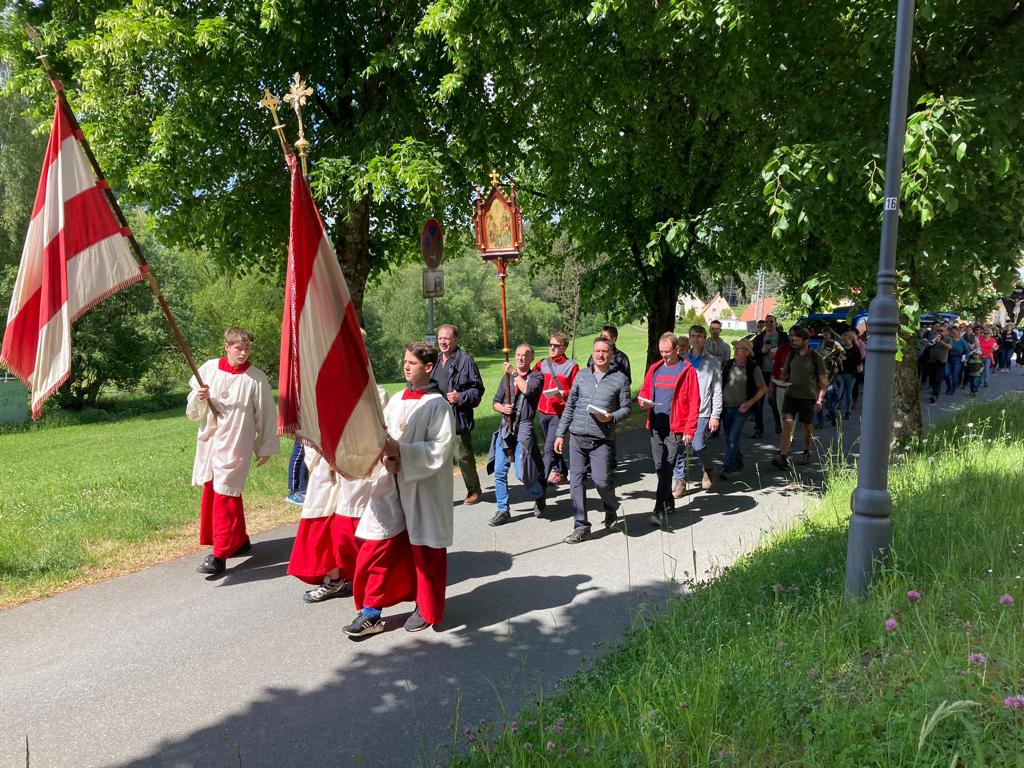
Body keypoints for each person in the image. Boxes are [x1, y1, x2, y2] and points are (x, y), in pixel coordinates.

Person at [344, 341, 455, 636]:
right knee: (377, 545)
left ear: (428, 367)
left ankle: (425, 606)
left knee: (425, 549)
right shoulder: (395, 400)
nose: (406, 366)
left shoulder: (438, 405)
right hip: (391, 483)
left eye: (413, 363)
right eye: (405, 361)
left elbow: (439, 450)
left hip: (422, 488)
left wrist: (402, 452)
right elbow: (385, 438)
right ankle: (370, 611)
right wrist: (387, 457)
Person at [186, 327, 279, 576]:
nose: (244, 353)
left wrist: (265, 445)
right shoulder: (209, 369)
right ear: (226, 346)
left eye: (247, 348)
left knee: (225, 493)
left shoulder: (255, 378)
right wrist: (200, 396)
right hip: (211, 440)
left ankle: (219, 555)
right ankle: (238, 540)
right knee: (214, 489)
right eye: (239, 348)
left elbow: (267, 414)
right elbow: (192, 411)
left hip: (237, 442)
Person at [287, 389, 391, 603]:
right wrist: (319, 460)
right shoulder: (321, 394)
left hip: (356, 469)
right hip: (326, 469)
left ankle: (367, 577)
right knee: (321, 527)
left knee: (350, 530)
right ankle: (334, 580)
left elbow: (377, 434)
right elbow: (310, 435)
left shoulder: (375, 394)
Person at [554, 337, 631, 544]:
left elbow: (626, 408)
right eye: (597, 351)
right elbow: (570, 406)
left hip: (602, 439)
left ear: (611, 355)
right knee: (576, 481)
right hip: (577, 437)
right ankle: (581, 526)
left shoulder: (620, 379)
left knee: (601, 481)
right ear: (592, 352)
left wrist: (611, 417)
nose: (600, 354)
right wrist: (560, 434)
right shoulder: (582, 375)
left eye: (605, 351)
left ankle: (611, 506)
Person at [636, 332, 699, 526]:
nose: (664, 355)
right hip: (656, 426)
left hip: (675, 429)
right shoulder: (655, 369)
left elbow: (694, 401)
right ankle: (669, 503)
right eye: (661, 352)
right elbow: (645, 391)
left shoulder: (686, 370)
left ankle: (659, 510)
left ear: (677, 349)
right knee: (659, 468)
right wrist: (642, 401)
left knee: (666, 468)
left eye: (667, 352)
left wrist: (690, 429)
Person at [487, 344, 546, 526]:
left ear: (531, 358)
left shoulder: (537, 377)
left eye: (525, 355)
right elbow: (495, 402)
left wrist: (513, 373)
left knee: (523, 474)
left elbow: (528, 390)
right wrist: (502, 408)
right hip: (506, 427)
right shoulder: (506, 378)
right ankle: (503, 510)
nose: (520, 358)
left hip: (524, 426)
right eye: (518, 354)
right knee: (499, 471)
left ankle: (539, 494)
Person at [431, 324, 485, 505]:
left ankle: (474, 490)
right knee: (437, 457)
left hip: (457, 416)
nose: (442, 342)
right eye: (440, 338)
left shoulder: (465, 360)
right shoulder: (436, 359)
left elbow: (478, 390)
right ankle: (440, 494)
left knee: (462, 456)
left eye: (446, 338)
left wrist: (460, 397)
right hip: (436, 418)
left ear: (455, 339)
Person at [771, 326, 827, 469]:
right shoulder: (792, 354)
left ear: (806, 341)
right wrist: (782, 379)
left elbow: (823, 380)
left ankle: (806, 451)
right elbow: (785, 373)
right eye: (792, 340)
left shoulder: (815, 357)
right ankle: (783, 456)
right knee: (787, 423)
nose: (793, 342)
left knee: (807, 426)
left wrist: (820, 400)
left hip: (808, 397)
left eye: (796, 340)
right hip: (791, 395)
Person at [718, 339, 768, 481]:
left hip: (741, 409)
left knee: (732, 439)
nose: (735, 350)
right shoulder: (728, 365)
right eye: (735, 348)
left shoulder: (753, 368)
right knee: (729, 437)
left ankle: (727, 468)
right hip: (726, 407)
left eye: (738, 348)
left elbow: (763, 389)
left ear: (746, 352)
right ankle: (738, 459)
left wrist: (749, 403)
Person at [534, 332, 579, 485]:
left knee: (548, 449)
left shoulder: (572, 366)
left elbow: (577, 390)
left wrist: (564, 393)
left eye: (556, 345)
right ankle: (562, 472)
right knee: (552, 445)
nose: (552, 348)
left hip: (559, 413)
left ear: (564, 347)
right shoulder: (542, 364)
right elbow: (532, 381)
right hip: (542, 410)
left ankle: (539, 484)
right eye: (550, 344)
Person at [682, 325, 722, 491]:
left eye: (699, 336)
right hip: (683, 411)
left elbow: (717, 390)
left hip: (702, 411)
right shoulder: (682, 360)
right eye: (693, 336)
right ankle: (679, 481)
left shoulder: (712, 361)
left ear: (705, 339)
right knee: (680, 448)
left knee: (697, 445)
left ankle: (708, 468)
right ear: (689, 338)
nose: (696, 339)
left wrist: (715, 415)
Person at [752, 315, 785, 437]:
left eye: (771, 321)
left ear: (776, 323)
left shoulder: (783, 336)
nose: (769, 324)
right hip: (762, 372)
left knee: (773, 401)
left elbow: (788, 352)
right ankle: (758, 429)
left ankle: (779, 423)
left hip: (776, 373)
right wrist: (762, 351)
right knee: (758, 402)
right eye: (767, 322)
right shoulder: (759, 337)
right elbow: (754, 355)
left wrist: (777, 355)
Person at [925, 322, 952, 404]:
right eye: (938, 330)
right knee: (931, 379)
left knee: (938, 378)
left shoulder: (948, 339)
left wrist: (940, 342)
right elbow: (928, 345)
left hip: (941, 361)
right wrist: (929, 343)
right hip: (931, 360)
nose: (940, 332)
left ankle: (935, 395)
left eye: (941, 331)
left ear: (945, 332)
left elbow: (949, 347)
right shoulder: (934, 337)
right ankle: (934, 391)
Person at [837, 332, 861, 418]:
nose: (844, 342)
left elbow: (858, 362)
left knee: (848, 392)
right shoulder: (841, 349)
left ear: (851, 340)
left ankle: (848, 412)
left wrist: (846, 359)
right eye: (843, 340)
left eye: (846, 340)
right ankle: (835, 409)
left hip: (850, 374)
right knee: (838, 391)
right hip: (840, 373)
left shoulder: (855, 349)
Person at [947, 329, 970, 396]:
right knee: (946, 374)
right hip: (948, 358)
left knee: (955, 374)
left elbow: (967, 351)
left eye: (955, 332)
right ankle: (949, 387)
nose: (953, 333)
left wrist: (965, 358)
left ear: (958, 333)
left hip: (958, 359)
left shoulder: (962, 341)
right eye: (952, 332)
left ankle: (953, 389)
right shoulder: (949, 340)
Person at [286, 439, 308, 505]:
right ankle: (293, 492)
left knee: (306, 452)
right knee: (299, 450)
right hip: (303, 432)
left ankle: (303, 489)